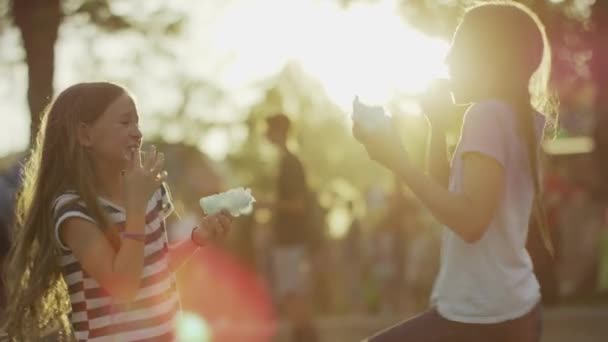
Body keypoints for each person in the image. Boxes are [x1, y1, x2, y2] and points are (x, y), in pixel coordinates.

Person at [353, 2, 554, 341]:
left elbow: (470, 222)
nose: (447, 61)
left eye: (457, 50)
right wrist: (438, 126)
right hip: (510, 310)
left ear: (489, 60)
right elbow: (451, 194)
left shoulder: (486, 115)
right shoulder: (519, 117)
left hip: (482, 316)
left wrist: (399, 162)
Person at [1, 82, 233, 341]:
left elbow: (153, 270)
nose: (138, 133)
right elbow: (123, 286)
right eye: (125, 123)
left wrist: (196, 239)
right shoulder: (73, 210)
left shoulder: (149, 192)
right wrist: (136, 207)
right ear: (85, 135)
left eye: (137, 122)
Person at [265, 113, 318, 342]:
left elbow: (298, 205)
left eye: (268, 129)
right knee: (292, 296)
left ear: (278, 131)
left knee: (293, 296)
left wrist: (268, 203)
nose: (264, 134)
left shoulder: (290, 162)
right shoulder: (287, 161)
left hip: (292, 241)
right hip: (288, 242)